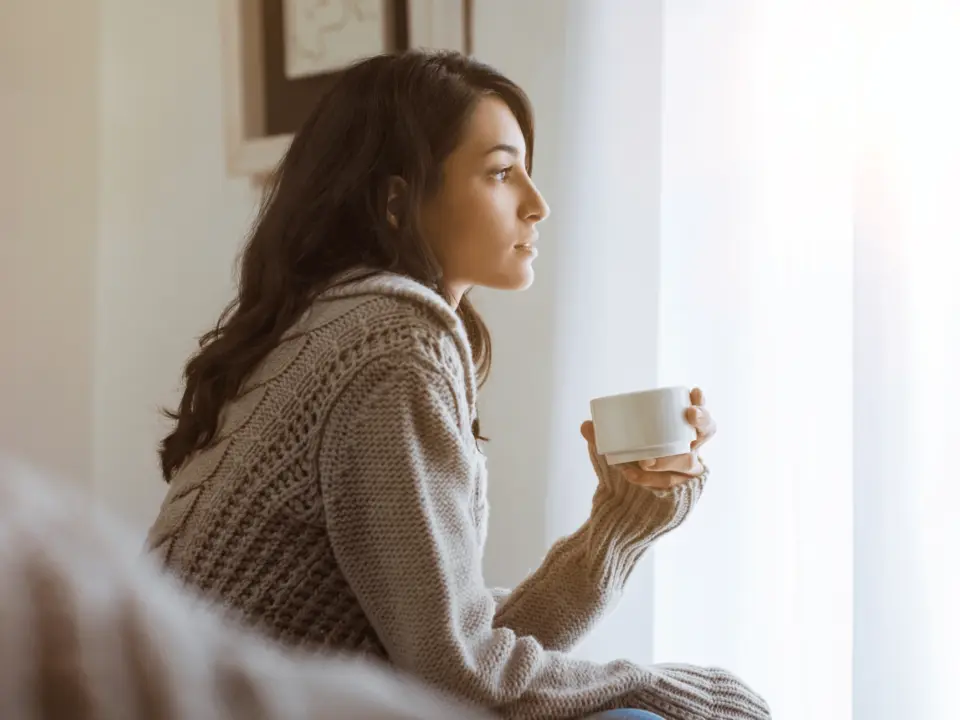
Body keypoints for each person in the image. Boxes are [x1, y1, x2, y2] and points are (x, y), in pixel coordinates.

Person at [147, 50, 769, 720]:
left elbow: (451, 649)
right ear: (398, 200)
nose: (538, 204)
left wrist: (621, 523)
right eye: (502, 172)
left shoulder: (344, 322)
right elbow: (458, 677)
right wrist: (660, 688)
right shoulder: (389, 344)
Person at [0, 456, 489, 720]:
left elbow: (458, 630)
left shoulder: (307, 328)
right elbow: (454, 669)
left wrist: (571, 564)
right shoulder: (396, 340)